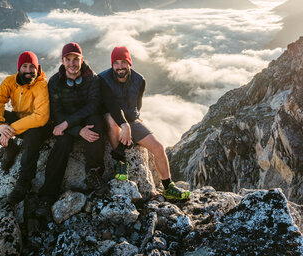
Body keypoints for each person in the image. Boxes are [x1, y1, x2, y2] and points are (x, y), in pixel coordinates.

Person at [99, 46, 190, 200]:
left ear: (129, 63)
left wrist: (134, 122)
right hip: (113, 119)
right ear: (112, 64)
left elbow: (137, 105)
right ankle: (121, 161)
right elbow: (108, 106)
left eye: (123, 62)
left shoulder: (139, 80)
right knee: (110, 119)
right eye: (116, 63)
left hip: (132, 120)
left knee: (159, 148)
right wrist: (124, 125)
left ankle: (168, 186)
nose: (120, 66)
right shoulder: (104, 79)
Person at [36, 42, 107, 216]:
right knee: (62, 143)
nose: (72, 63)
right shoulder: (55, 82)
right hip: (65, 125)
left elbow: (93, 106)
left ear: (82, 59)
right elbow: (57, 114)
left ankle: (94, 173)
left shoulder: (93, 78)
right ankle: (47, 195)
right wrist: (76, 130)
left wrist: (72, 125)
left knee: (96, 124)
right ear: (62, 61)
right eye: (68, 59)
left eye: (76, 59)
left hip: (82, 120)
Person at [0, 51, 50, 205]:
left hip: (38, 125)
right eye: (25, 66)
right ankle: (10, 149)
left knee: (33, 137)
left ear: (37, 68)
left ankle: (24, 183)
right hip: (19, 119)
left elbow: (41, 117)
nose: (29, 70)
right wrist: (0, 125)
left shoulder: (41, 85)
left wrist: (10, 130)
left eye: (32, 67)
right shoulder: (10, 81)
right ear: (19, 68)